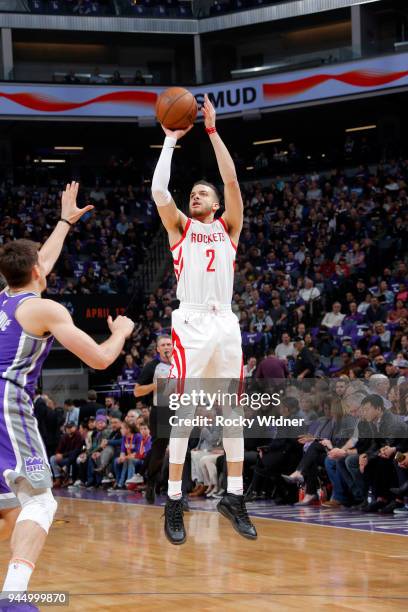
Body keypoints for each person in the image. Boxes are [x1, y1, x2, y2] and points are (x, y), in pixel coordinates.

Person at [0, 181, 134, 597]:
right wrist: (122, 333)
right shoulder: (44, 309)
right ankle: (14, 599)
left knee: (8, 511)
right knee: (40, 501)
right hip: (7, 407)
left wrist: (63, 223)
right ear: (37, 271)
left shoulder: (5, 297)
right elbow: (99, 359)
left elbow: (39, 264)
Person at [151, 94, 256, 544]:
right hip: (191, 323)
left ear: (216, 203)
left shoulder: (230, 226)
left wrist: (213, 131)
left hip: (225, 324)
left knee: (233, 412)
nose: (196, 194)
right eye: (193, 192)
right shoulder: (180, 229)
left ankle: (234, 496)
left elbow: (231, 179)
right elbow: (160, 192)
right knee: (185, 414)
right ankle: (175, 499)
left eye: (203, 192)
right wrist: (170, 142)